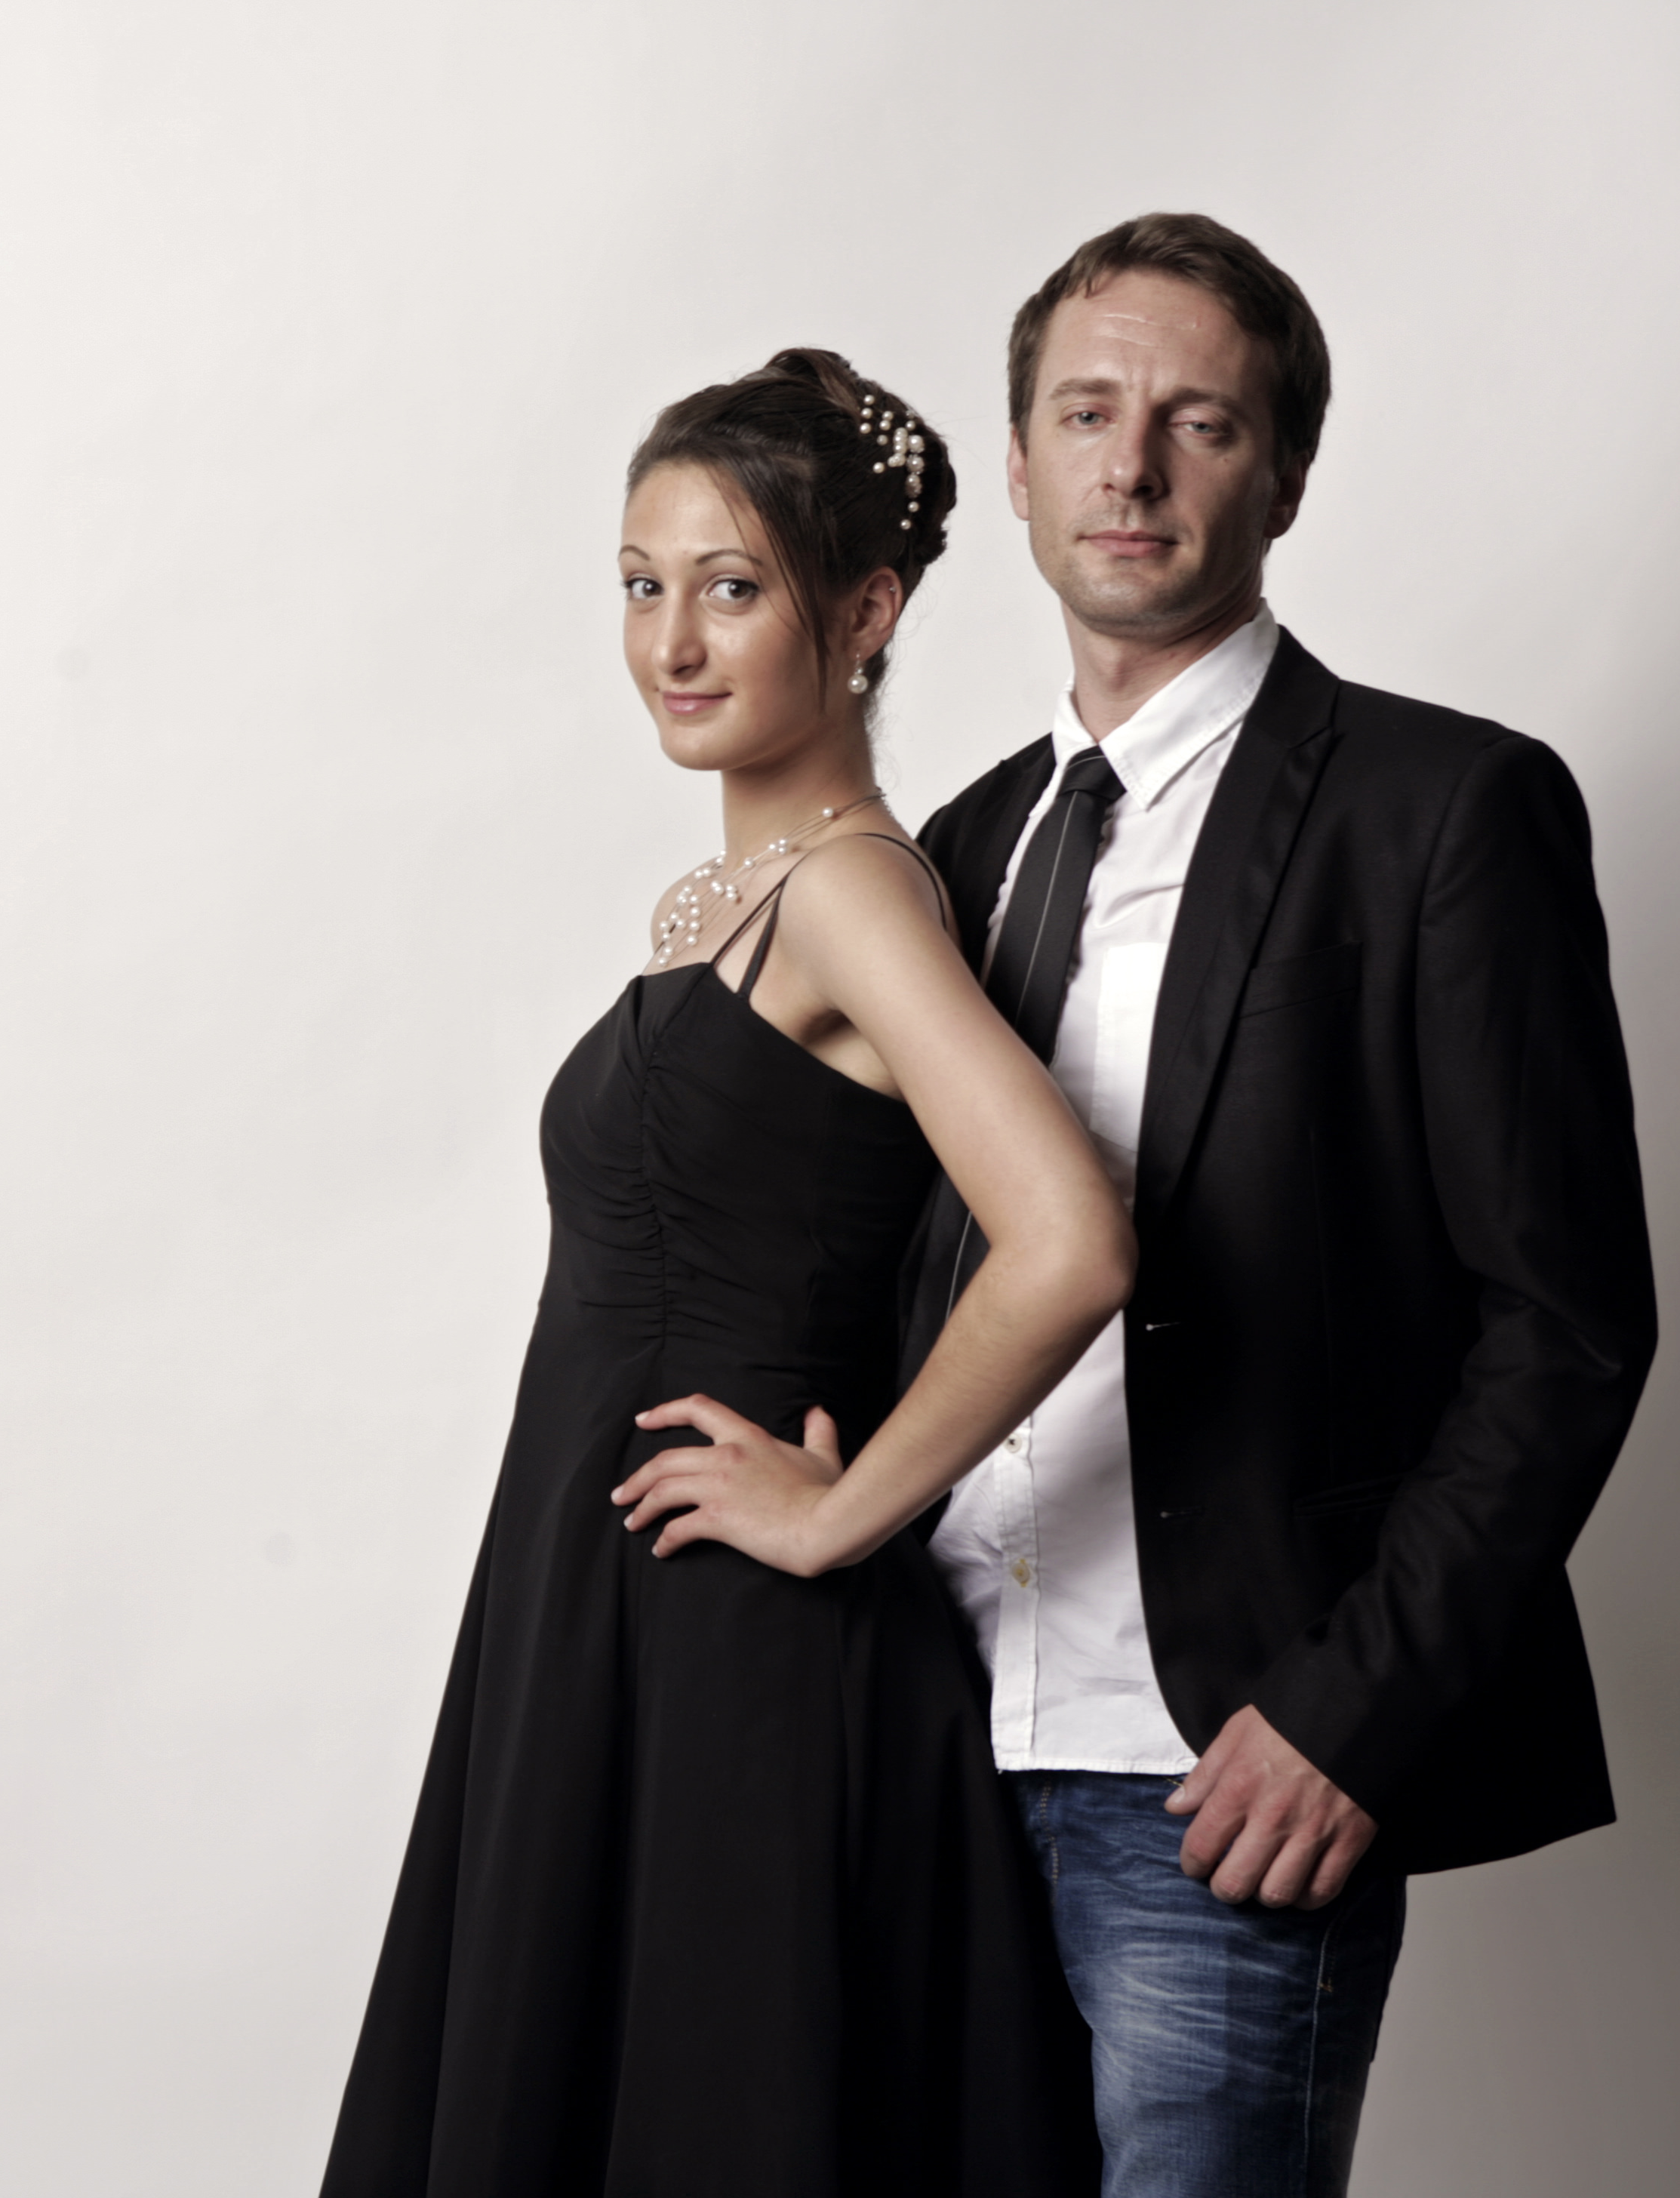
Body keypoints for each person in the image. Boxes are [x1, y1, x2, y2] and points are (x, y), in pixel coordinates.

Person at [892, 214, 1661, 2194]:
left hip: (1220, 1779)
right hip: (928, 1752)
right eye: (1087, 413)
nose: (1133, 465)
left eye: (1202, 422)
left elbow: (1564, 1324)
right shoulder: (961, 846)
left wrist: (1349, 1712)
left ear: (1286, 476)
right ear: (1019, 463)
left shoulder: (1444, 811)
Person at [321, 350, 1136, 2196]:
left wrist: (841, 1513)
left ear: (866, 613)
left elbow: (1071, 1237)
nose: (672, 642)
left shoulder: (851, 892)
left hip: (731, 1651)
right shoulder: (730, 906)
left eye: (733, 586)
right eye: (641, 583)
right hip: (603, 1625)